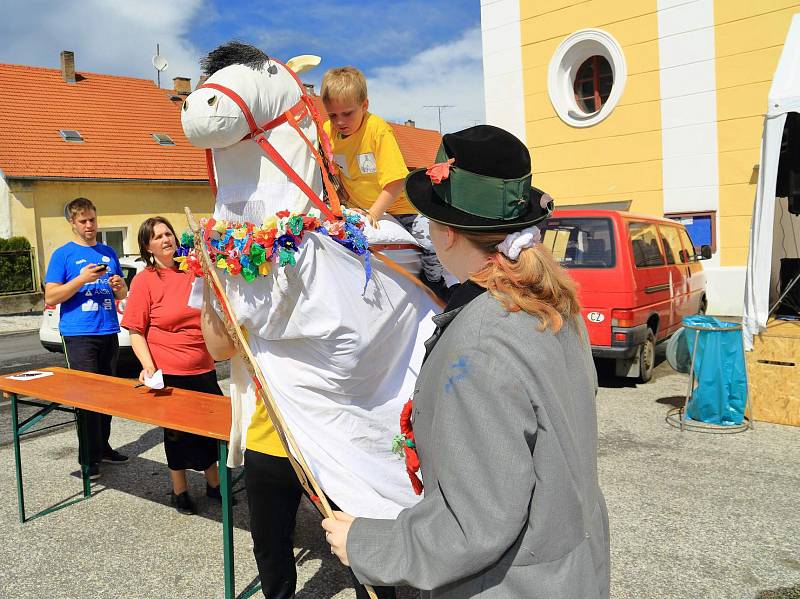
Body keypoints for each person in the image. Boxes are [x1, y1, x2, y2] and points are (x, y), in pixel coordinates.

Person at [322, 125, 611, 599]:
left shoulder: (479, 343)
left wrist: (368, 544)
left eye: (428, 219)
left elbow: (475, 523)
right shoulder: (551, 301)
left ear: (448, 232)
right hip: (570, 571)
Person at [200, 277, 397, 598]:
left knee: (361, 539)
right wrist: (207, 285)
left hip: (332, 446)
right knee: (269, 542)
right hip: (269, 442)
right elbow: (220, 349)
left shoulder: (333, 296)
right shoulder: (259, 305)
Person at [120, 216, 226, 515]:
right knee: (176, 435)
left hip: (202, 366)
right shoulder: (145, 280)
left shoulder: (193, 272)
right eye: (158, 237)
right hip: (169, 371)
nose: (166, 239)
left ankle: (214, 484)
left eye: (169, 234)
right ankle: (179, 491)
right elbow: (136, 330)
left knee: (210, 429)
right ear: (147, 246)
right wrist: (148, 366)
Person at [321, 66, 448, 295]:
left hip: (400, 206)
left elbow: (396, 181)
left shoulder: (378, 131)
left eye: (347, 113)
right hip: (356, 205)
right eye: (332, 115)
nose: (339, 121)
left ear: (365, 106)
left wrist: (374, 215)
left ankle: (435, 282)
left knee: (431, 242)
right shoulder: (326, 132)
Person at [44, 197, 129, 480]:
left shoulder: (108, 252)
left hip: (108, 331)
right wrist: (81, 279)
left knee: (108, 397)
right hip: (79, 334)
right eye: (83, 221)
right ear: (73, 223)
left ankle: (102, 447)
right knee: (86, 397)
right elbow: (51, 296)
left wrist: (119, 286)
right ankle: (88, 459)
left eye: (92, 219)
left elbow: (121, 294)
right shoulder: (63, 255)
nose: (90, 225)